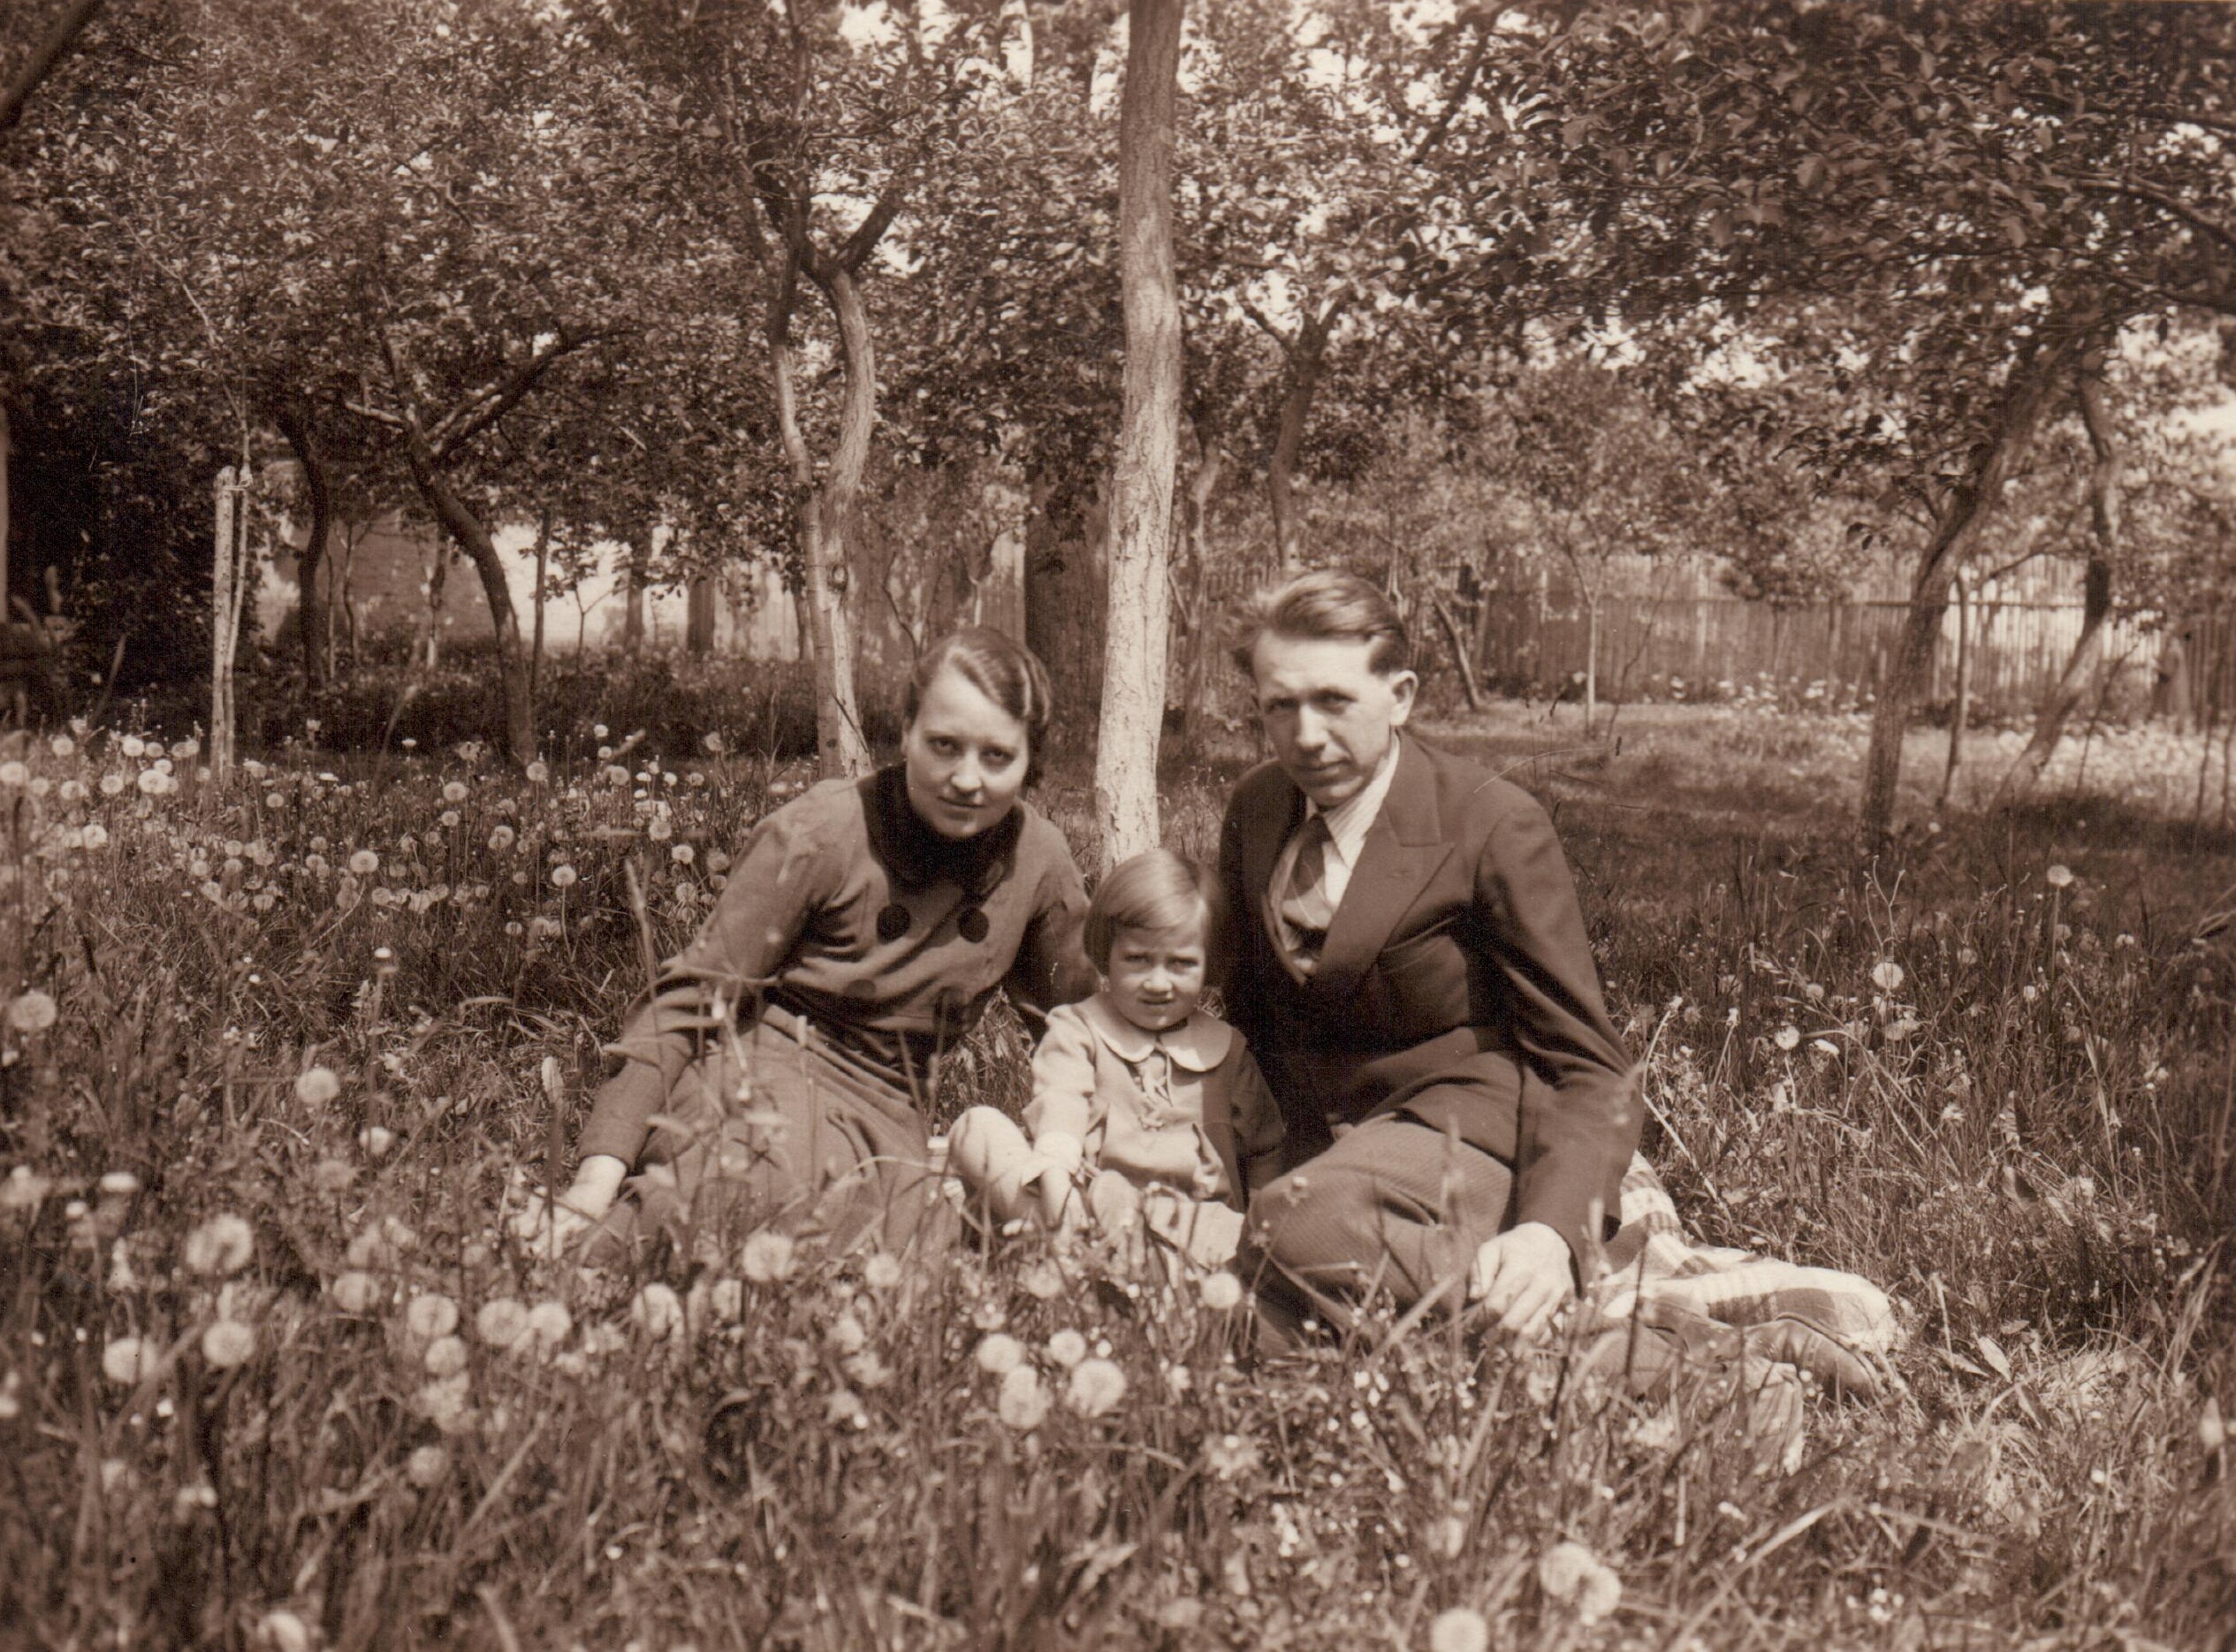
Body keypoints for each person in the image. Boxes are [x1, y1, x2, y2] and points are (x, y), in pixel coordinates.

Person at [526, 628, 1097, 1259]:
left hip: (889, 1109)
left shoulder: (1038, 859)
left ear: (1030, 761)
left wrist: (1112, 1145)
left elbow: (1087, 1025)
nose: (966, 778)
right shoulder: (825, 826)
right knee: (761, 1185)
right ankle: (592, 1251)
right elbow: (688, 999)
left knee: (899, 1243)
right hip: (762, 1071)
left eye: (997, 756)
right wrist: (594, 1178)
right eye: (944, 746)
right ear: (906, 731)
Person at [1215, 571, 1639, 1340]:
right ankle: (1545, 1348)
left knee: (1286, 1227)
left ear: (1400, 695)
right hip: (1315, 1152)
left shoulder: (1490, 821)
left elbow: (1588, 1063)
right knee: (1230, 1309)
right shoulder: (1258, 805)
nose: (1305, 735)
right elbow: (1246, 1015)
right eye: (1281, 704)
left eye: (1334, 700)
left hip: (1462, 1137)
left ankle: (1634, 1351)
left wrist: (1550, 1232)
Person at [946, 849, 1285, 1268]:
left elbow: (1265, 1150)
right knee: (976, 1129)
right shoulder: (1079, 1029)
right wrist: (1059, 1194)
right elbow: (1060, 1111)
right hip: (1083, 1210)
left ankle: (1095, 1262)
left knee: (1240, 1237)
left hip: (1193, 1230)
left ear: (1209, 964)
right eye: (1137, 960)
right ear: (1107, 952)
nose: (1157, 983)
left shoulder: (1226, 1051)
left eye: (1181, 964)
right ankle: (1069, 1247)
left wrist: (1261, 1238)